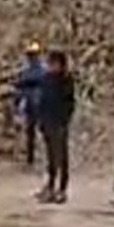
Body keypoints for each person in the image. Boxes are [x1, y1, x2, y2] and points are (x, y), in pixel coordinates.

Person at [35, 50, 76, 204]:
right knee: (50, 157)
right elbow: (42, 100)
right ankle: (51, 186)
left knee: (62, 157)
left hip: (60, 123)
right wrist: (41, 120)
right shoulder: (47, 79)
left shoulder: (66, 80)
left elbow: (70, 104)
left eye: (54, 63)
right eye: (50, 63)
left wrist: (65, 121)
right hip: (47, 122)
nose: (51, 66)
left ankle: (62, 188)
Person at [14, 42, 47, 166]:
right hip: (29, 103)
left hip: (42, 103)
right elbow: (19, 89)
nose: (32, 57)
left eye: (34, 54)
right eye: (30, 55)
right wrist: (17, 105)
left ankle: (46, 157)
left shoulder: (44, 70)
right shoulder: (25, 71)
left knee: (44, 131)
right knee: (30, 132)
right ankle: (30, 158)